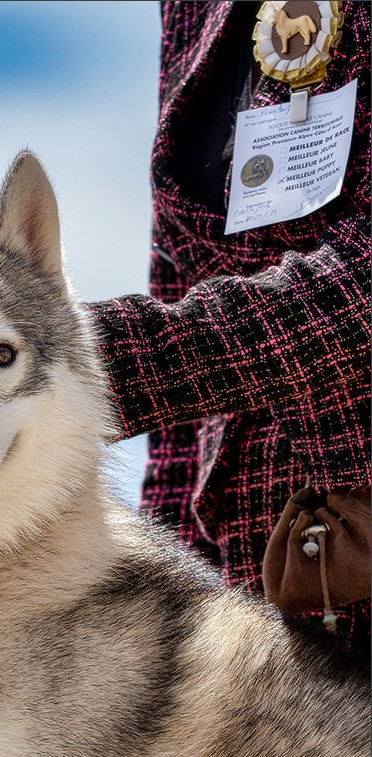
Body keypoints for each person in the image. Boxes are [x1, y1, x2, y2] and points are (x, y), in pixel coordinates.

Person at [88, 1, 370, 656]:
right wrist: (168, 581)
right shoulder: (190, 10)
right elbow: (179, 286)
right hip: (251, 588)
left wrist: (103, 364)